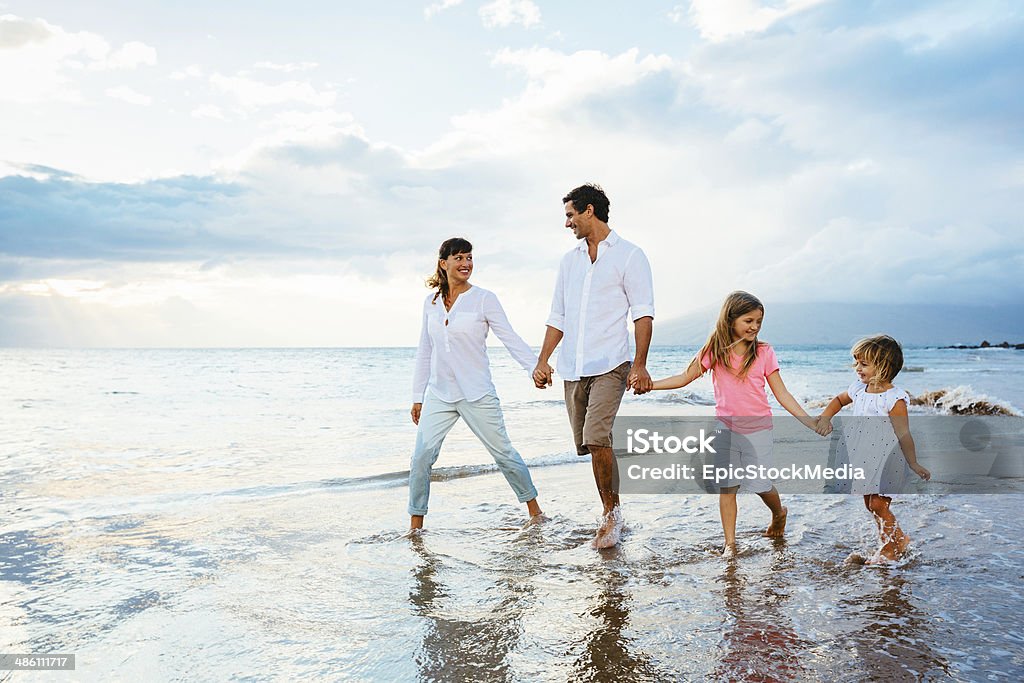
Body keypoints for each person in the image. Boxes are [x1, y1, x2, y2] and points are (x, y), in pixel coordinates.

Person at [533, 183, 655, 549]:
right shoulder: (568, 261)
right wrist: (543, 360)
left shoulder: (630, 256)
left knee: (596, 436)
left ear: (589, 211)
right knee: (588, 445)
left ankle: (611, 515)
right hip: (573, 366)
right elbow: (559, 315)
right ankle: (611, 507)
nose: (567, 223)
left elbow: (643, 313)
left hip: (611, 363)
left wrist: (640, 364)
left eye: (570, 215)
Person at [650, 291, 818, 557]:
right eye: (748, 320)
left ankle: (778, 512)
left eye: (758, 322)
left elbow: (781, 393)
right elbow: (685, 377)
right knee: (727, 487)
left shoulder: (764, 352)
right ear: (730, 319)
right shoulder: (714, 350)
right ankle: (730, 544)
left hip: (759, 429)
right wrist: (651, 385)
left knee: (760, 485)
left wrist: (808, 420)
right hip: (725, 429)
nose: (754, 327)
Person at [408, 237, 544, 531]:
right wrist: (418, 396)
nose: (466, 264)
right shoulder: (430, 302)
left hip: (477, 392)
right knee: (421, 458)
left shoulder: (484, 299)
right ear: (443, 264)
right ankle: (415, 526)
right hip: (440, 394)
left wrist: (534, 367)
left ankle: (535, 512)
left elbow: (508, 336)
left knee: (504, 454)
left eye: (469, 258)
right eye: (458, 258)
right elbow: (425, 350)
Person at [815, 335, 930, 563]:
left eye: (864, 364)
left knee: (879, 503)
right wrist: (825, 418)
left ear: (883, 366)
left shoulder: (893, 399)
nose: (857, 368)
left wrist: (913, 463)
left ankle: (893, 544)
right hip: (864, 457)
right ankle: (891, 541)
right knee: (870, 503)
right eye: (857, 363)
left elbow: (903, 434)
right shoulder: (859, 389)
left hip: (888, 459)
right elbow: (838, 400)